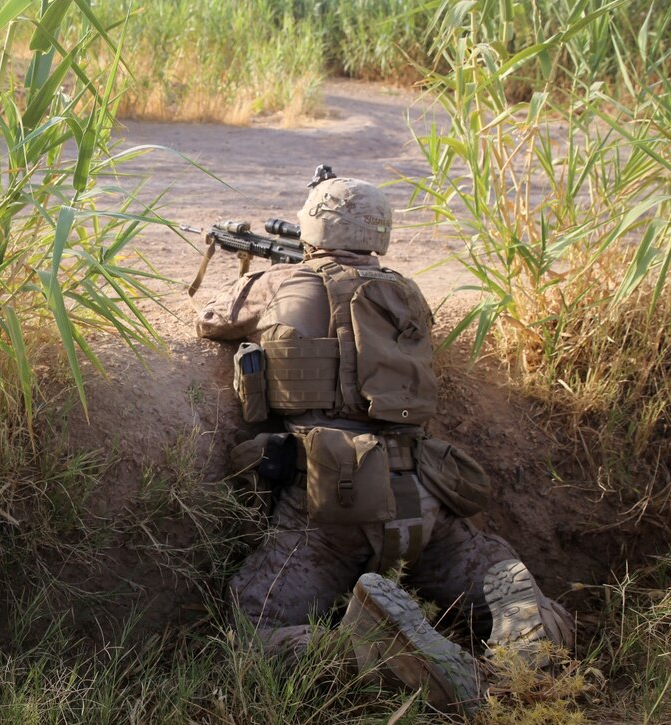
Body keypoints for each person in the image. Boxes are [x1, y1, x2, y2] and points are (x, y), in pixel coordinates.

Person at [194, 169, 573, 713]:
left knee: (254, 628)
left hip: (332, 505)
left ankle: (368, 649)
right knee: (487, 577)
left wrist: (276, 274)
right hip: (424, 494)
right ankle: (528, 625)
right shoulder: (407, 293)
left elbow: (210, 319)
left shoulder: (279, 283)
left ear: (310, 227)